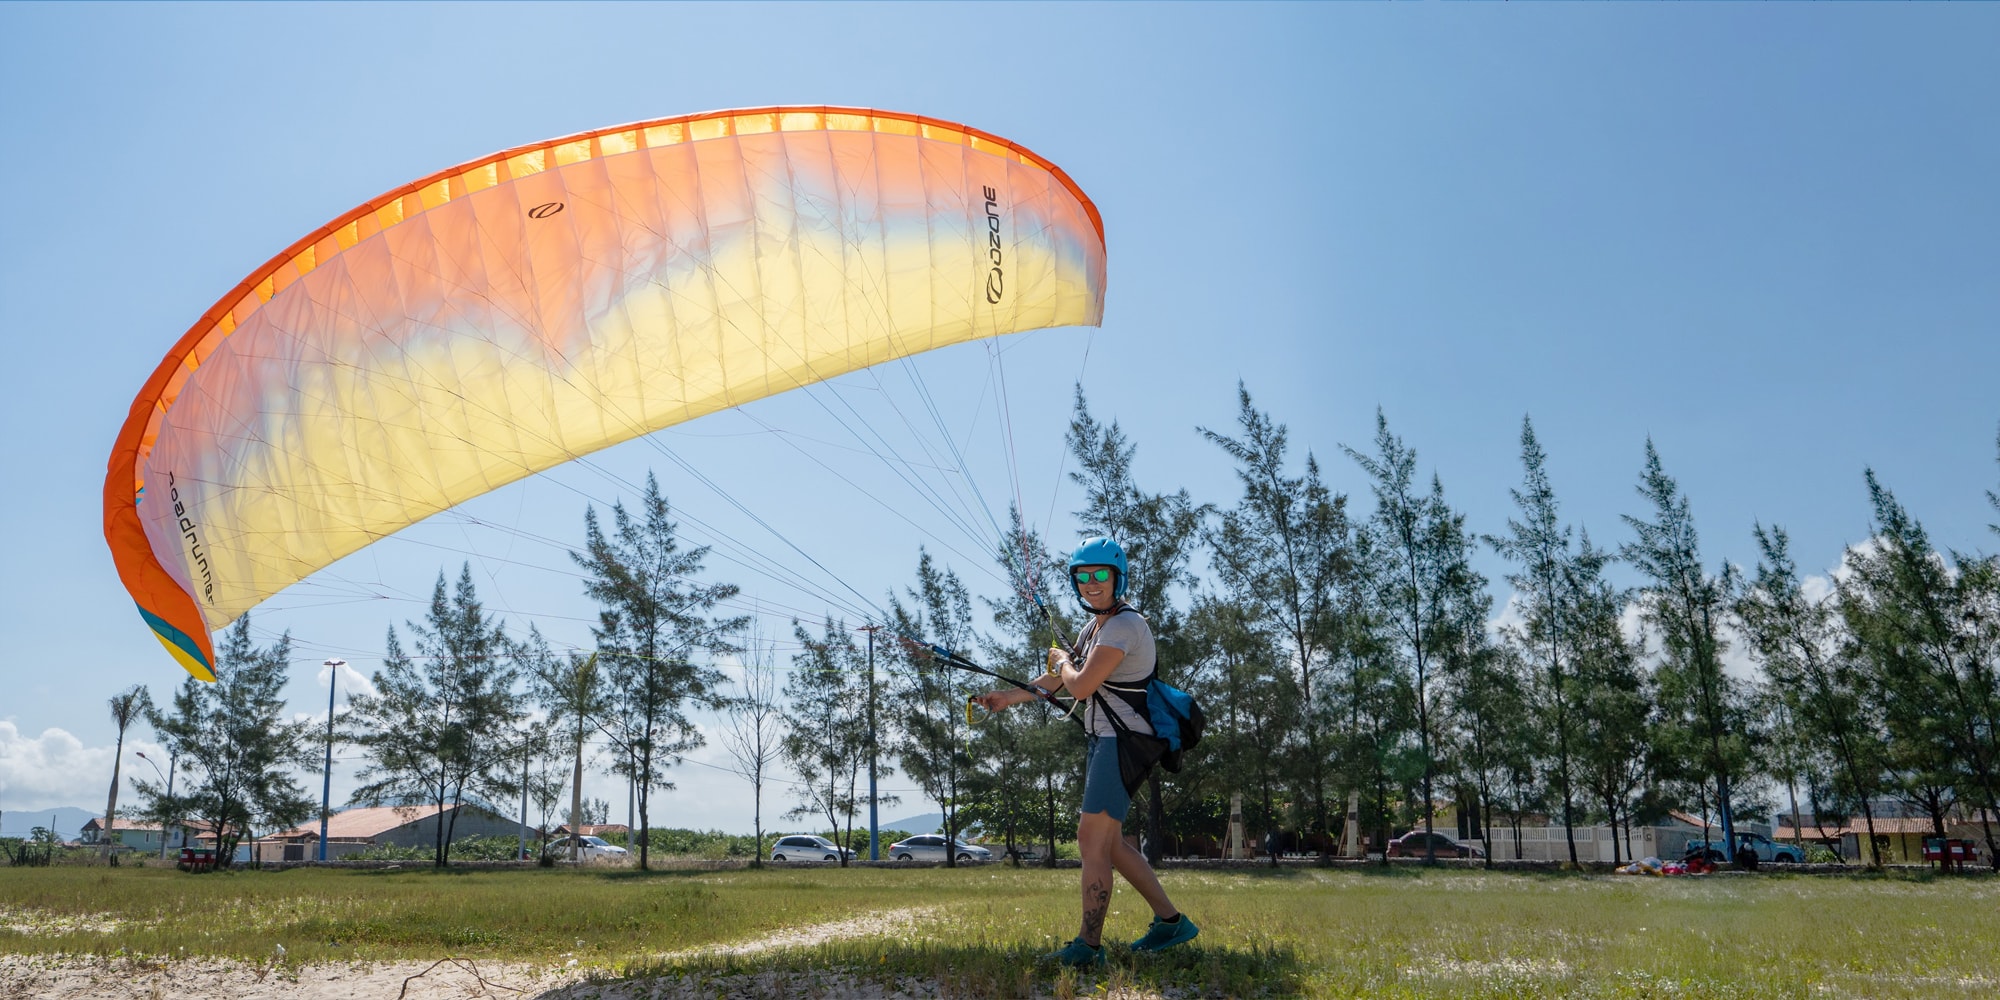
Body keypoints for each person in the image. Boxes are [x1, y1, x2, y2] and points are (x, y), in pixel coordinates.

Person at [971, 537, 1199, 967]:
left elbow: (1078, 684)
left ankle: (1088, 947)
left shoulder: (1123, 627)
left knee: (1089, 841)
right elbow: (1059, 679)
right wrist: (1008, 697)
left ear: (1117, 578)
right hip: (1105, 740)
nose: (1091, 584)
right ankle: (1171, 923)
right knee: (1109, 846)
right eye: (1082, 576)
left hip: (1122, 742)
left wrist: (1061, 664)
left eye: (1100, 575)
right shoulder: (1094, 626)